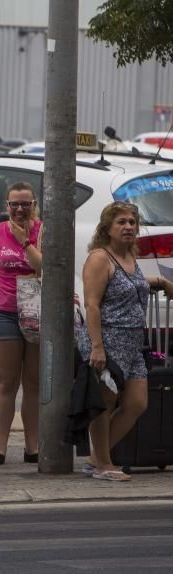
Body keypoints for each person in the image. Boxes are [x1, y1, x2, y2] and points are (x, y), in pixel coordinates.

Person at [78, 202, 173, 481]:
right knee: (104, 403)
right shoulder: (99, 258)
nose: (128, 227)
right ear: (107, 228)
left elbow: (133, 283)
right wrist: (97, 347)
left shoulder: (130, 257)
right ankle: (103, 465)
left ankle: (97, 457)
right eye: (121, 222)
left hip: (133, 341)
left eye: (132, 222)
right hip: (107, 339)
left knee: (136, 403)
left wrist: (161, 282)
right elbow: (92, 305)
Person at [0, 182, 43, 466]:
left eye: (26, 204)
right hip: (4, 309)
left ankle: (32, 447)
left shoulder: (43, 230)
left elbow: (43, 266)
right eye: (14, 204)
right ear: (6, 205)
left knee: (33, 382)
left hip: (37, 311)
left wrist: (24, 241)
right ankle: (0, 448)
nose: (20, 210)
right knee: (6, 381)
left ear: (34, 205)